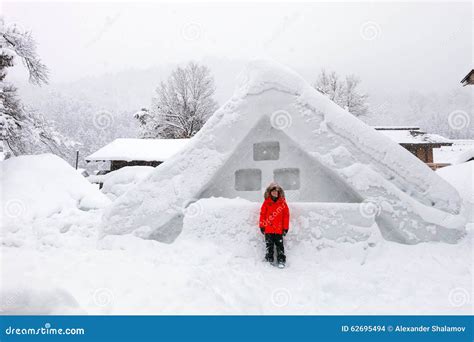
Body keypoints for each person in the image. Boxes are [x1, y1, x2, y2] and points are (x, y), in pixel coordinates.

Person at [259, 182, 290, 268]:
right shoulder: (266, 203)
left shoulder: (283, 204)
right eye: (273, 191)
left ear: (279, 193)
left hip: (279, 229)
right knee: (269, 245)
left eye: (276, 191)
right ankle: (269, 259)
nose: (275, 193)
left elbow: (286, 216)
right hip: (268, 229)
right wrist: (262, 226)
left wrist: (285, 228)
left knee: (280, 246)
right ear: (270, 193)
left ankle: (281, 260)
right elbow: (262, 215)